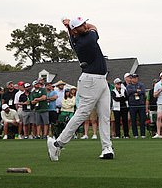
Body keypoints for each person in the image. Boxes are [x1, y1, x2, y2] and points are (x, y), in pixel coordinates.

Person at [48, 17, 113, 161]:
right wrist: (70, 25)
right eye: (81, 25)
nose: (85, 25)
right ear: (76, 30)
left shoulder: (75, 37)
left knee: (104, 115)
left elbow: (76, 31)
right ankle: (58, 144)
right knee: (82, 114)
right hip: (91, 80)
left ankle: (107, 147)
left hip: (101, 80)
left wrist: (69, 27)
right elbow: (93, 26)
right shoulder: (87, 39)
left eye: (84, 23)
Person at [126, 73, 147, 139]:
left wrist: (136, 92)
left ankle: (143, 134)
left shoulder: (141, 85)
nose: (136, 79)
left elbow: (143, 91)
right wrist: (136, 91)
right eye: (134, 78)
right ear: (131, 79)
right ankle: (135, 135)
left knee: (142, 120)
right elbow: (128, 92)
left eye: (136, 78)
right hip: (132, 105)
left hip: (141, 104)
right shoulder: (129, 86)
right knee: (133, 120)